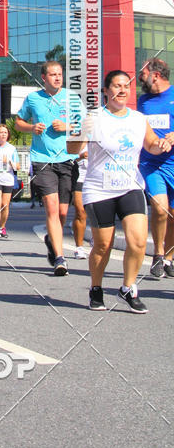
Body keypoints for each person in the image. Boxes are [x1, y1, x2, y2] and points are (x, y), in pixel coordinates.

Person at [68, 70, 171, 313]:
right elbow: (73, 148)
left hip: (130, 186)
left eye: (126, 86)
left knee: (136, 242)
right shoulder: (94, 118)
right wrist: (79, 131)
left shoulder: (137, 118)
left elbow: (151, 146)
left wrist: (161, 144)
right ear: (106, 91)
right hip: (99, 188)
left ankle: (128, 287)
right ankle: (96, 288)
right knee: (103, 245)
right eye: (116, 86)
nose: (122, 90)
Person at [15, 61, 83, 275]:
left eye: (60, 74)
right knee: (52, 209)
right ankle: (60, 259)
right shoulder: (33, 98)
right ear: (43, 77)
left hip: (67, 159)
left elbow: (87, 124)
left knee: (63, 212)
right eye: (53, 74)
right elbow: (18, 122)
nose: (57, 78)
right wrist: (31, 127)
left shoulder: (72, 98)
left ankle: (51, 239)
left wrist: (68, 127)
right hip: (42, 159)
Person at [137, 58, 174, 279]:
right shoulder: (143, 102)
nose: (140, 77)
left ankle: (169, 257)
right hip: (151, 164)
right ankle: (158, 254)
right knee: (159, 208)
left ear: (155, 75)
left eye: (143, 73)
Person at [71, 150, 88, 259]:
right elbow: (66, 158)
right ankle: (79, 247)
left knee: (96, 212)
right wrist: (80, 156)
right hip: (79, 176)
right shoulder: (76, 134)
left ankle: (96, 238)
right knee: (80, 211)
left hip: (99, 177)